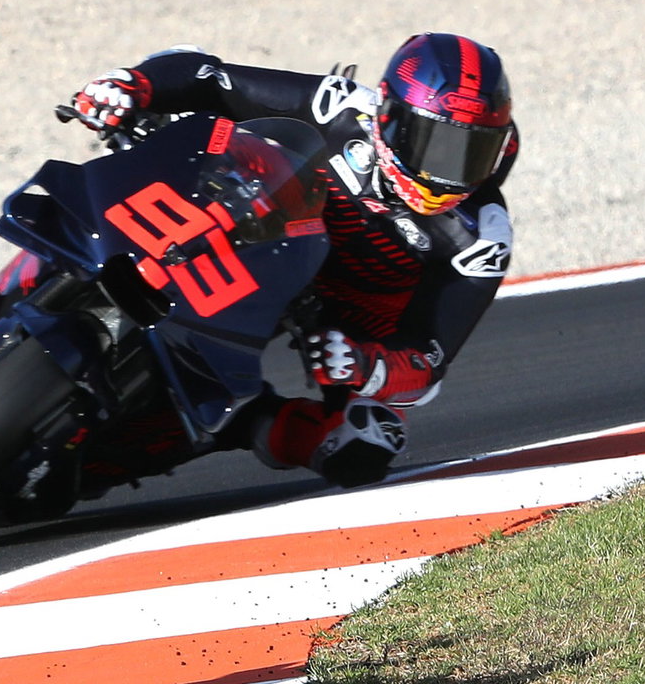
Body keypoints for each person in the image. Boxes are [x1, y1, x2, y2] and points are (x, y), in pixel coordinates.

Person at [65, 32, 517, 486]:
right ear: (388, 114)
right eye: (437, 145)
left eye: (471, 153)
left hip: (347, 322)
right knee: (170, 82)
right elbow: (212, 78)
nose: (448, 174)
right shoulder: (339, 106)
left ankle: (241, 422)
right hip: (268, 240)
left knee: (364, 446)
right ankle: (53, 267)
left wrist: (366, 363)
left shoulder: (482, 236)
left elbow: (428, 361)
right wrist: (133, 85)